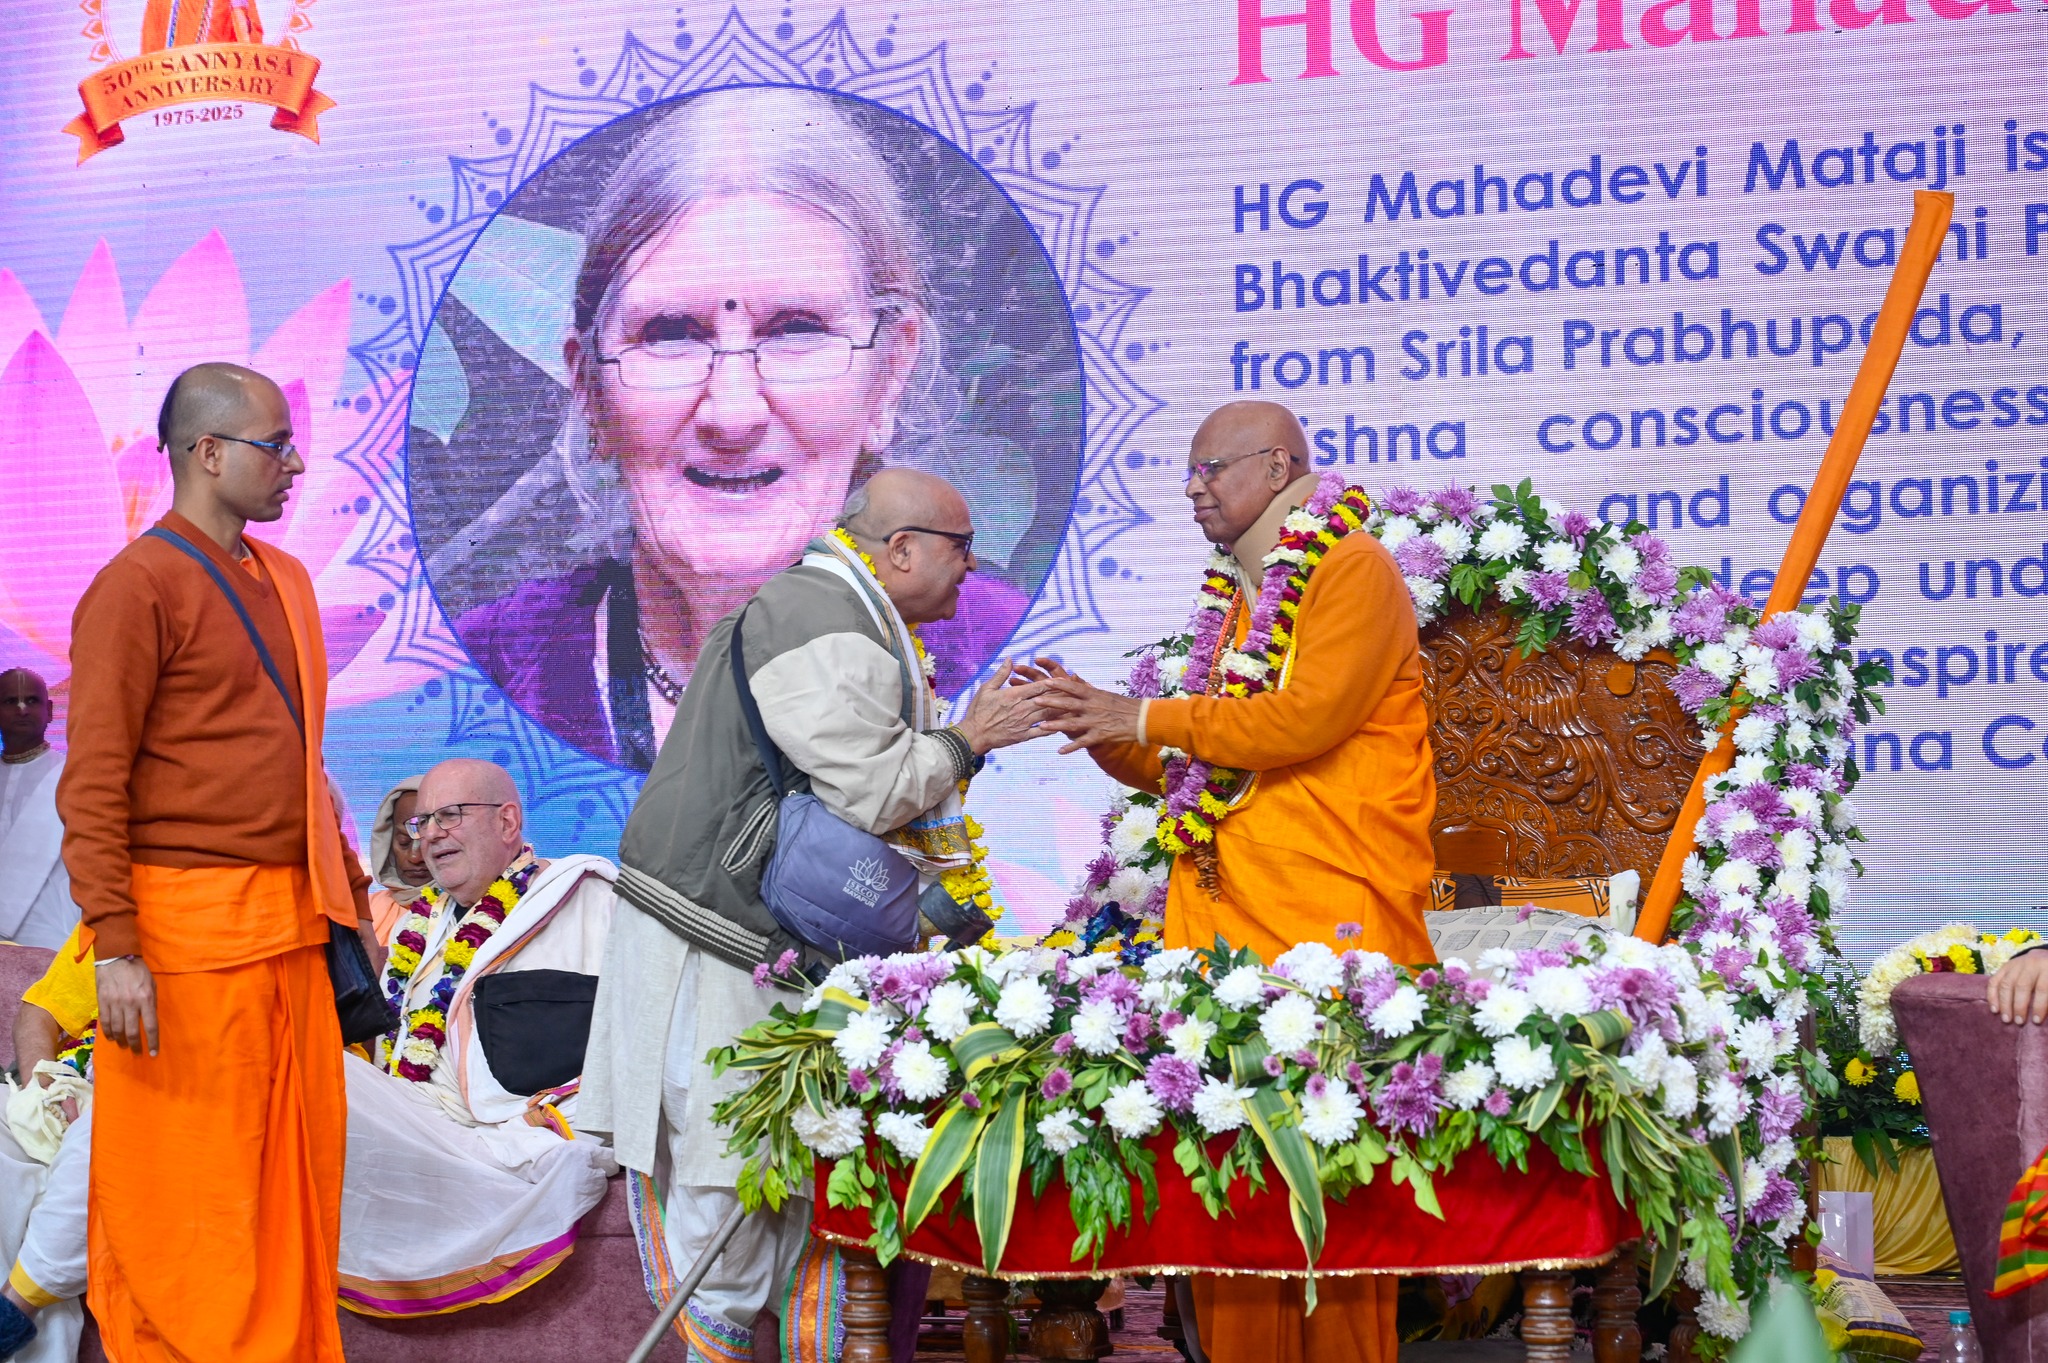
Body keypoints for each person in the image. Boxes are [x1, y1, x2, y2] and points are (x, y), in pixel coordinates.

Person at [582, 468, 1050, 1363]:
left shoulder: (838, 609)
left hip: (734, 941)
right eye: (961, 547)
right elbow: (874, 788)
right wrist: (970, 738)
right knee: (729, 1200)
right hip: (715, 947)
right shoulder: (822, 615)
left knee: (765, 1202)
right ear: (901, 549)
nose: (972, 566)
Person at [447, 86, 1030, 770]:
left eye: (796, 330)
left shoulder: (1014, 661)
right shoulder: (477, 672)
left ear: (888, 373)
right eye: (670, 334)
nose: (732, 413)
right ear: (589, 386)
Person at [1030, 399, 1437, 1363]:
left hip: (1324, 928)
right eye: (1189, 471)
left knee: (1324, 1197)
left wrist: (1140, 714)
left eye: (1210, 468)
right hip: (1228, 929)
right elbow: (1203, 763)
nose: (1192, 488)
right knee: (1235, 1195)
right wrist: (1095, 724)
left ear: (1278, 465)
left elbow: (1301, 722)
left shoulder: (1350, 569)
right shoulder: (1244, 602)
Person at [56, 361, 372, 1363]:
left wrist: (350, 900)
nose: (295, 464)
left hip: (294, 933)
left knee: (293, 1191)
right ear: (207, 452)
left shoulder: (289, 580)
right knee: (195, 1202)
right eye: (276, 445)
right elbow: (92, 785)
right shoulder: (135, 587)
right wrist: (116, 948)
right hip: (184, 950)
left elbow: (303, 768)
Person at [340, 757, 618, 1317]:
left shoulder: (584, 897)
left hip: (508, 1138)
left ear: (508, 821)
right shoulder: (420, 924)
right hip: (419, 1128)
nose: (430, 835)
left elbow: (632, 1043)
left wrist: (535, 1125)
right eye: (422, 822)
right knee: (310, 1071)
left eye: (449, 815)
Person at [0, 931, 94, 1363]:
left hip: (131, 1113)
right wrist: (43, 1085)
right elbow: (40, 1011)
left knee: (81, 1173)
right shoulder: (110, 924)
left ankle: (13, 1313)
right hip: (55, 1097)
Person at [0, 672, 76, 950]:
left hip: (53, 932)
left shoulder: (73, 776)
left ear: (50, 711)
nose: (22, 709)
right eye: (10, 701)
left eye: (32, 701)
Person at [364, 774, 432, 947]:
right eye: (403, 842)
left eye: (428, 843)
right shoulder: (364, 911)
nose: (415, 857)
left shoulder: (479, 910)